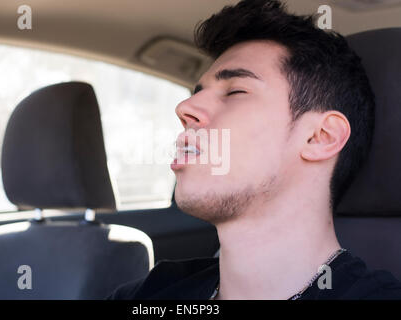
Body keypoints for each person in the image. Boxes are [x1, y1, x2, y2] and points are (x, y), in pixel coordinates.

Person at [108, 0, 401, 299]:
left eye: (236, 91)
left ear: (320, 137)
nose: (185, 108)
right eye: (197, 93)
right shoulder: (148, 294)